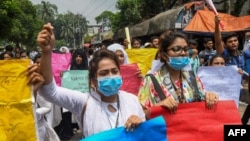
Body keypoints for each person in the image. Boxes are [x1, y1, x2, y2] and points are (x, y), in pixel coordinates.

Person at [29, 23, 145, 138]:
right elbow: (51, 92)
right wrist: (46, 51)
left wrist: (140, 125)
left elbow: (145, 136)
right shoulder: (84, 101)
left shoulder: (132, 100)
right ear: (93, 80)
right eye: (104, 73)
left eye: (114, 71)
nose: (111, 76)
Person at [137, 31, 218, 119]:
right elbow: (140, 115)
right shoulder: (151, 80)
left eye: (186, 49)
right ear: (164, 55)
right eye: (176, 49)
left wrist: (209, 97)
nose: (183, 53)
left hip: (191, 129)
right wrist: (158, 107)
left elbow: (200, 102)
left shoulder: (192, 77)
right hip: (166, 130)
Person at [32, 54, 60, 141]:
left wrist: (36, 113)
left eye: (42, 63)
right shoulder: (29, 79)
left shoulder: (49, 79)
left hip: (42, 118)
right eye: (37, 63)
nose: (39, 65)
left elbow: (48, 106)